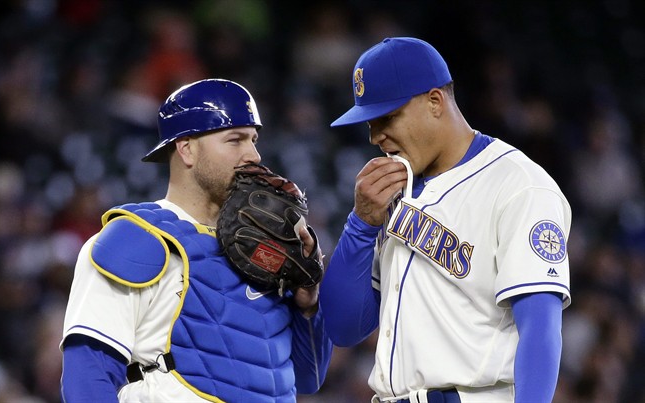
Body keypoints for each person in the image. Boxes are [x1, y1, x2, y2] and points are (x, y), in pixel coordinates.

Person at [320, 37, 571, 403]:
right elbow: (343, 327)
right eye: (370, 123)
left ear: (435, 102)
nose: (375, 137)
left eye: (387, 118)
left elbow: (540, 327)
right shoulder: (392, 193)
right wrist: (361, 224)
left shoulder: (519, 185)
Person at [60, 78, 333, 402]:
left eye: (254, 140)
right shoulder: (136, 238)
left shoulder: (270, 248)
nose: (254, 155)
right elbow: (87, 377)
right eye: (235, 140)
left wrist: (308, 305)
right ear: (187, 148)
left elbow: (308, 377)